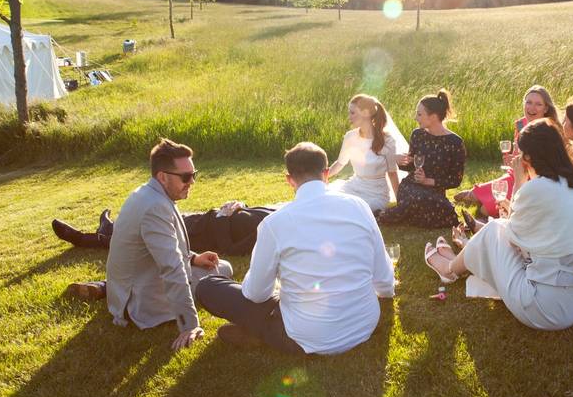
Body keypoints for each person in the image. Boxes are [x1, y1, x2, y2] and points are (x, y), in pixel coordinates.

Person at [194, 142, 396, 355]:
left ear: (289, 179)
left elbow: (256, 294)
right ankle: (259, 330)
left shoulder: (274, 224)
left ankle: (259, 333)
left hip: (306, 335)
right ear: (326, 173)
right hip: (363, 323)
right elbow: (383, 276)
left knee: (208, 286)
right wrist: (385, 292)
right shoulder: (359, 206)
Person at [425, 119, 573, 331]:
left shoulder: (538, 187)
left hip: (547, 309)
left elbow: (512, 234)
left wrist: (520, 182)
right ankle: (464, 257)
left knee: (493, 230)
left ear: (528, 157)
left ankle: (450, 269)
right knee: (497, 229)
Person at [65, 138, 233, 351]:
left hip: (132, 288)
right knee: (223, 270)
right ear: (163, 177)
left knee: (220, 267)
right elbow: (171, 269)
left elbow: (166, 247)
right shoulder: (155, 207)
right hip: (140, 304)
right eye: (186, 176)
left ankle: (102, 288)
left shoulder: (147, 194)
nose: (192, 181)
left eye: (194, 174)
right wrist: (189, 325)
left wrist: (193, 258)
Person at [455, 85, 559, 218]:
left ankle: (481, 196)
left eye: (538, 104)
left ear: (546, 108)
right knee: (474, 196)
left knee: (484, 211)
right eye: (529, 102)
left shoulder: (549, 130)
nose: (532, 108)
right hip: (514, 173)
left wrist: (520, 164)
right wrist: (512, 159)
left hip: (530, 178)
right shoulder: (521, 124)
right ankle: (475, 193)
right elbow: (518, 151)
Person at [376, 89, 466, 230]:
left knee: (447, 213)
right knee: (417, 198)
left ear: (433, 117)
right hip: (411, 186)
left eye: (419, 114)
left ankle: (399, 214)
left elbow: (455, 179)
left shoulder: (455, 142)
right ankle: (388, 215)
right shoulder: (417, 135)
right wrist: (401, 161)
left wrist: (428, 181)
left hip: (434, 191)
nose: (416, 118)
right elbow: (412, 164)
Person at [52, 200, 273, 256]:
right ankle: (109, 227)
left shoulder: (268, 233)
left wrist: (224, 217)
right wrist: (238, 205)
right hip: (201, 219)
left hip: (196, 236)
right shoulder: (277, 214)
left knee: (147, 237)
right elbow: (248, 210)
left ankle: (85, 239)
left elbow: (229, 249)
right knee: (149, 218)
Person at [327, 93, 407, 212]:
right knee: (330, 202)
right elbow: (340, 163)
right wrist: (322, 177)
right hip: (354, 186)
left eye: (352, 113)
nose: (349, 117)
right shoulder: (350, 136)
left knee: (357, 209)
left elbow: (392, 173)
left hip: (376, 194)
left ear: (366, 113)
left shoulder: (388, 140)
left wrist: (400, 204)